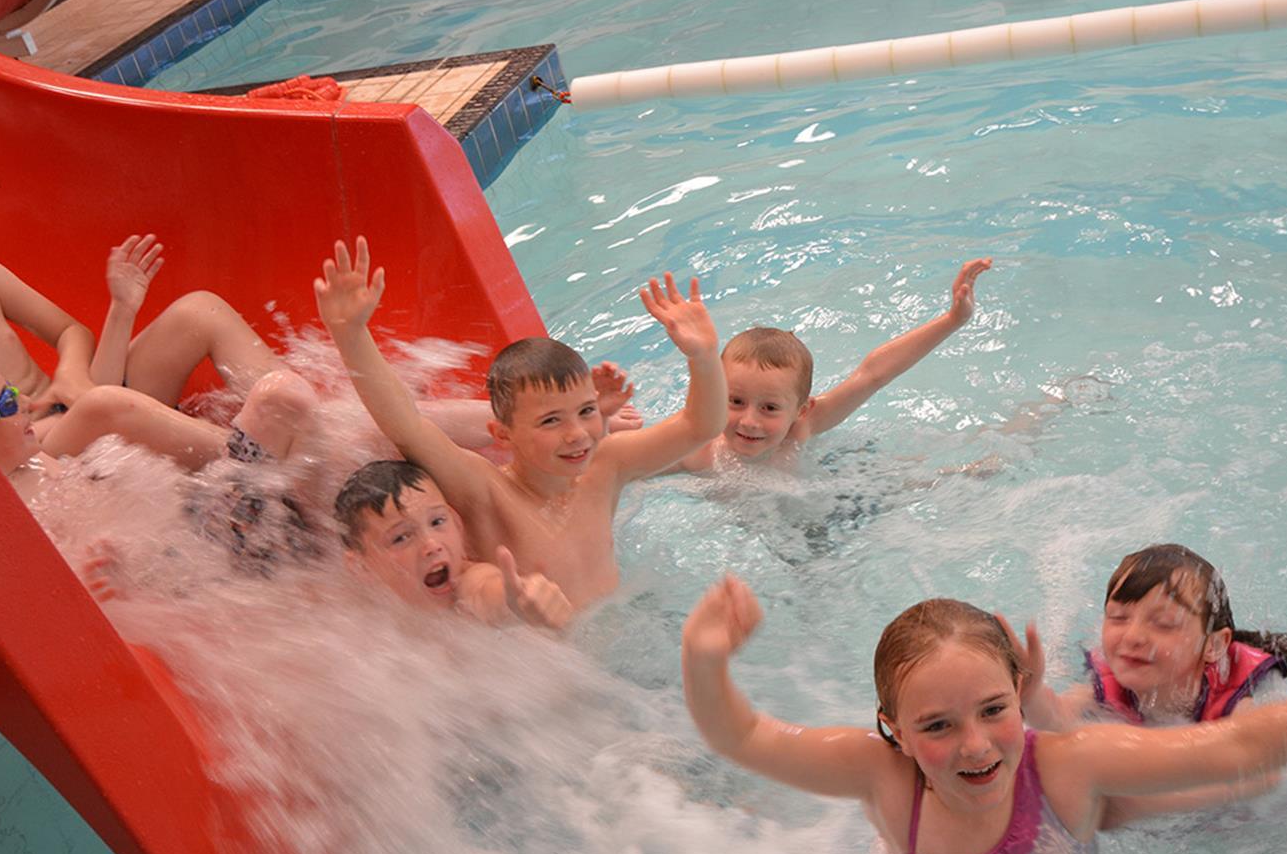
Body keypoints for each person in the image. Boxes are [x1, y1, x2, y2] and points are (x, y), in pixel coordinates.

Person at [681, 576, 1287, 854]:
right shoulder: (882, 778)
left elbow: (1243, 745)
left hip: (1063, 851)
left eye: (995, 709)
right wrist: (706, 659)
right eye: (937, 726)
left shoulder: (1065, 763)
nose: (976, 747)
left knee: (1232, 786)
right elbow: (744, 737)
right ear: (892, 731)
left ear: (1020, 692)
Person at [314, 236, 725, 606]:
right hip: (552, 672)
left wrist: (704, 357)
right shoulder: (486, 492)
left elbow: (699, 427)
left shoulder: (607, 465)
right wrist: (351, 336)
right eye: (551, 421)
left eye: (586, 412)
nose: (577, 434)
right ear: (502, 435)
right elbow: (406, 425)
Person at [0, 159, 283, 415]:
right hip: (38, 451)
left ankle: (305, 430)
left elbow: (70, 332)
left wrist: (71, 377)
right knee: (102, 409)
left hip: (79, 402)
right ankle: (245, 456)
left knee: (199, 311)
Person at [1012, 543, 1287, 730]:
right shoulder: (1106, 685)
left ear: (1214, 644)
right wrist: (1030, 696)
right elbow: (1057, 720)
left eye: (1163, 623)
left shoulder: (1237, 704)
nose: (1133, 637)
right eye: (1118, 617)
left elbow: (1259, 753)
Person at [667, 258, 993, 474]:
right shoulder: (698, 452)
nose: (749, 421)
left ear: (801, 409)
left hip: (834, 496)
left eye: (769, 408)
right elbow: (625, 465)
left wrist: (953, 320)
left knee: (926, 479)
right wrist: (612, 424)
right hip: (790, 536)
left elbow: (873, 375)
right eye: (735, 401)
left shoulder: (801, 429)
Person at [0, 352, 317, 502]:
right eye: (7, 401)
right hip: (207, 543)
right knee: (280, 401)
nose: (26, 400)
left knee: (280, 399)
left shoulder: (25, 458)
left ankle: (274, 471)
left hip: (206, 512)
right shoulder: (19, 515)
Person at [333, 460, 572, 630]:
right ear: (360, 568)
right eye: (402, 538)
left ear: (457, 525)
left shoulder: (468, 581)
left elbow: (485, 592)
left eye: (437, 522)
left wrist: (514, 602)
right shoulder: (345, 618)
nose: (432, 545)